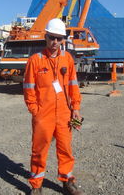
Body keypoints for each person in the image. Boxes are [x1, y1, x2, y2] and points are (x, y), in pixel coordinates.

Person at [23, 18, 84, 195]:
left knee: (65, 149)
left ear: (63, 40)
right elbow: (28, 88)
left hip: (65, 113)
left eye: (59, 38)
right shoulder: (35, 61)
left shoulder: (68, 60)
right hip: (44, 115)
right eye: (52, 37)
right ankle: (36, 185)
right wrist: (35, 111)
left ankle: (67, 182)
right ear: (46, 37)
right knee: (39, 150)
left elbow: (73, 85)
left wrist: (76, 108)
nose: (55, 42)